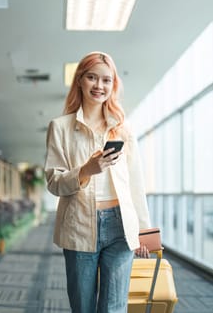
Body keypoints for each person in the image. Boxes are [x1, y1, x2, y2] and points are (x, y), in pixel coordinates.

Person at [44, 51, 151, 313]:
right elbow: (54, 182)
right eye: (92, 77)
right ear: (80, 80)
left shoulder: (123, 129)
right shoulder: (60, 127)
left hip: (120, 226)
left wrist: (144, 231)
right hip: (79, 224)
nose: (99, 86)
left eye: (106, 80)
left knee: (114, 308)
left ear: (113, 85)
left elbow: (136, 183)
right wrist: (86, 170)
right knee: (83, 307)